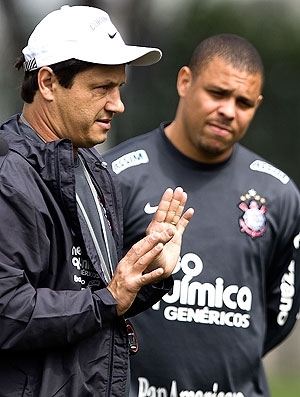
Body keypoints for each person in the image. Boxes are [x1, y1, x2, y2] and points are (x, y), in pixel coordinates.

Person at [0, 5, 194, 397]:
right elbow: (8, 312)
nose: (117, 104)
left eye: (118, 87)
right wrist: (109, 298)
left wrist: (148, 276)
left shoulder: (94, 169)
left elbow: (100, 301)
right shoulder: (8, 175)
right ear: (49, 83)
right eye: (102, 88)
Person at [103, 34, 300, 397]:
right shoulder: (115, 175)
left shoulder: (281, 194)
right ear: (184, 82)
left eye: (243, 102)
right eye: (218, 93)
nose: (228, 110)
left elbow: (280, 313)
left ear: (257, 105)